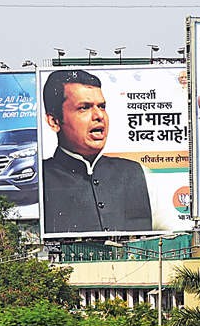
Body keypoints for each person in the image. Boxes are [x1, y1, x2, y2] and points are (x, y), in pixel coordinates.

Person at [41, 69, 153, 233]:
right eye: (84, 108)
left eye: (102, 106)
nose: (99, 115)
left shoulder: (133, 172)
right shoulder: (40, 178)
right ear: (54, 121)